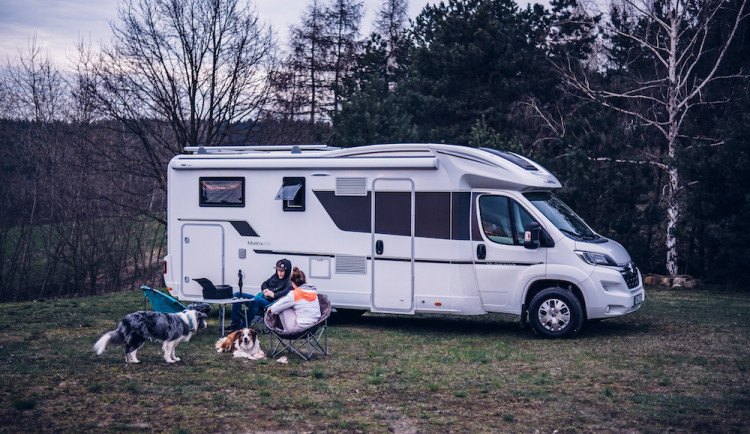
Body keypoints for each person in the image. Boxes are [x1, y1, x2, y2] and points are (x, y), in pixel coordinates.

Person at [229, 259, 292, 331]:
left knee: (255, 300)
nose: (280, 273)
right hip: (262, 298)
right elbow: (264, 284)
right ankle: (235, 324)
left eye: (282, 271)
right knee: (237, 295)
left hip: (270, 303)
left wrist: (274, 295)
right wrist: (265, 290)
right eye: (278, 270)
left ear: (287, 271)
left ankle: (243, 326)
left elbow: (287, 293)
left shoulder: (289, 281)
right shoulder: (275, 276)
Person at [269, 267, 321, 334]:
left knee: (283, 308)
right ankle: (285, 330)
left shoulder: (294, 294)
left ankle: (285, 331)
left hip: (300, 328)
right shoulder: (313, 291)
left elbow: (275, 309)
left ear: (292, 282)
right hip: (314, 327)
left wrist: (271, 307)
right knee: (288, 305)